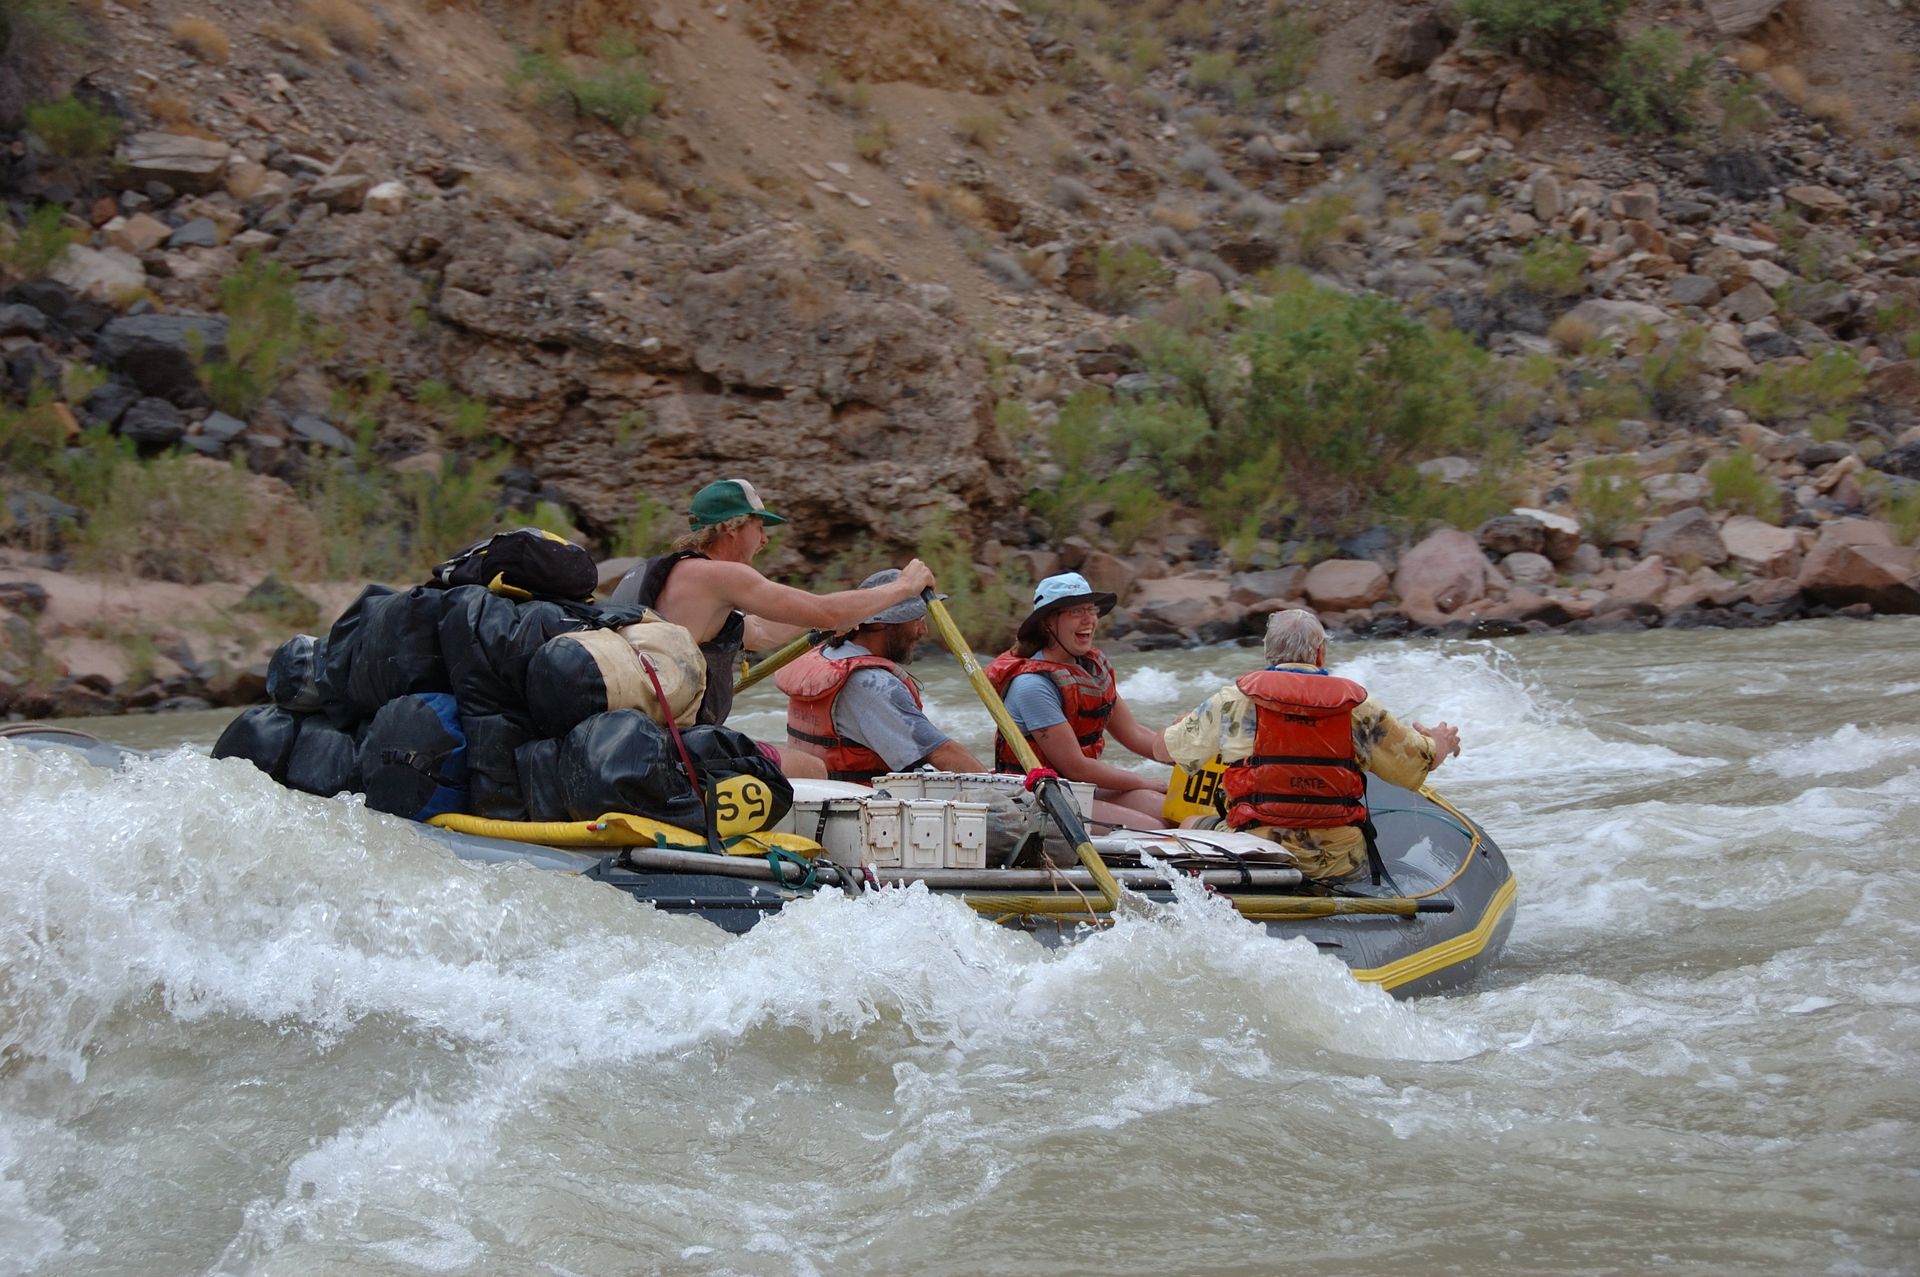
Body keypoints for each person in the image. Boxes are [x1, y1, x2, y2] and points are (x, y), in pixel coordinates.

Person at [610, 479, 936, 778]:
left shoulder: (670, 576)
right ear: (733, 527)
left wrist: (833, 616)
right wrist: (903, 587)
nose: (764, 539)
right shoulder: (722, 575)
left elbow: (760, 633)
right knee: (811, 769)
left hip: (635, 741)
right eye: (759, 526)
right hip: (676, 751)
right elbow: (827, 611)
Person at [1160, 608, 1461, 883]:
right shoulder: (1359, 707)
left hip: (1253, 848)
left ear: (1267, 653)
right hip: (1339, 859)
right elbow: (1422, 761)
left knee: (1188, 823)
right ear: (1320, 654)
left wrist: (1185, 724)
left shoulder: (1231, 701)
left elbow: (1161, 752)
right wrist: (1440, 741)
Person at [985, 572, 1171, 831]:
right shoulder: (1033, 685)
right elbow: (1077, 768)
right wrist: (1144, 781)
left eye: (1090, 609)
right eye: (1075, 612)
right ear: (1049, 622)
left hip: (1079, 789)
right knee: (1154, 827)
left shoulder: (1091, 668)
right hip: (1038, 797)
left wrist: (1184, 752)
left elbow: (1134, 733)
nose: (1089, 620)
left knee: (1169, 811)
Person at [774, 569, 986, 783]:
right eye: (917, 618)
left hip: (816, 797)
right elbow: (943, 754)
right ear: (880, 623)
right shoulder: (874, 685)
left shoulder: (826, 656)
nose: (924, 630)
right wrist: (997, 791)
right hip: (862, 807)